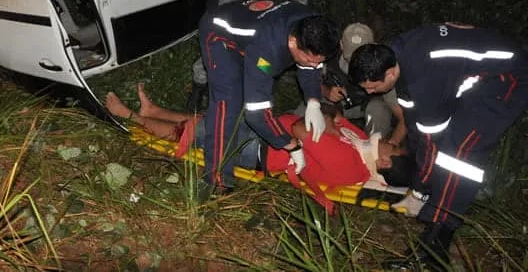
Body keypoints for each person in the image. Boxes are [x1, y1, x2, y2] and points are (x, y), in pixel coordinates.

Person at [348, 22, 528, 269]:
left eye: (373, 86)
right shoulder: (390, 55)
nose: (369, 92)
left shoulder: (424, 80)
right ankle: (437, 206)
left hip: (507, 77)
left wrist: (419, 189)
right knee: (442, 149)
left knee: (460, 155)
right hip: (471, 74)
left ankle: (434, 247)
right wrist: (419, 176)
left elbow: (431, 142)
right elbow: (414, 123)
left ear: (390, 74)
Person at [107, 83, 415, 212]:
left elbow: (299, 129)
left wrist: (328, 121)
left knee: (194, 131)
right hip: (267, 130)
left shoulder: (352, 163)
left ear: (385, 164)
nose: (391, 142)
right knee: (212, 118)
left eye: (394, 149)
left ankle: (128, 116)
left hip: (261, 150)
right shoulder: (362, 145)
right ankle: (151, 110)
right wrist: (329, 119)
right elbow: (331, 111)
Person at [197, 0, 339, 194]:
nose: (315, 66)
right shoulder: (268, 48)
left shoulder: (314, 27)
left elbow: (310, 67)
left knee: (260, 89)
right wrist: (291, 145)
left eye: (320, 62)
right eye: (309, 59)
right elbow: (256, 114)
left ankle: (249, 134)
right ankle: (216, 179)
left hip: (253, 36)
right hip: (220, 36)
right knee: (228, 102)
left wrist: (313, 101)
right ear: (293, 41)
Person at [294, 23, 407, 144]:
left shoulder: (382, 65)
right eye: (350, 58)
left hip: (368, 105)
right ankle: (303, 143)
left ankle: (373, 148)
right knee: (307, 109)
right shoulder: (327, 54)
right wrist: (326, 91)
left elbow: (404, 118)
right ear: (341, 45)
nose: (354, 63)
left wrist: (392, 144)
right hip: (336, 104)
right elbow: (309, 78)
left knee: (378, 109)